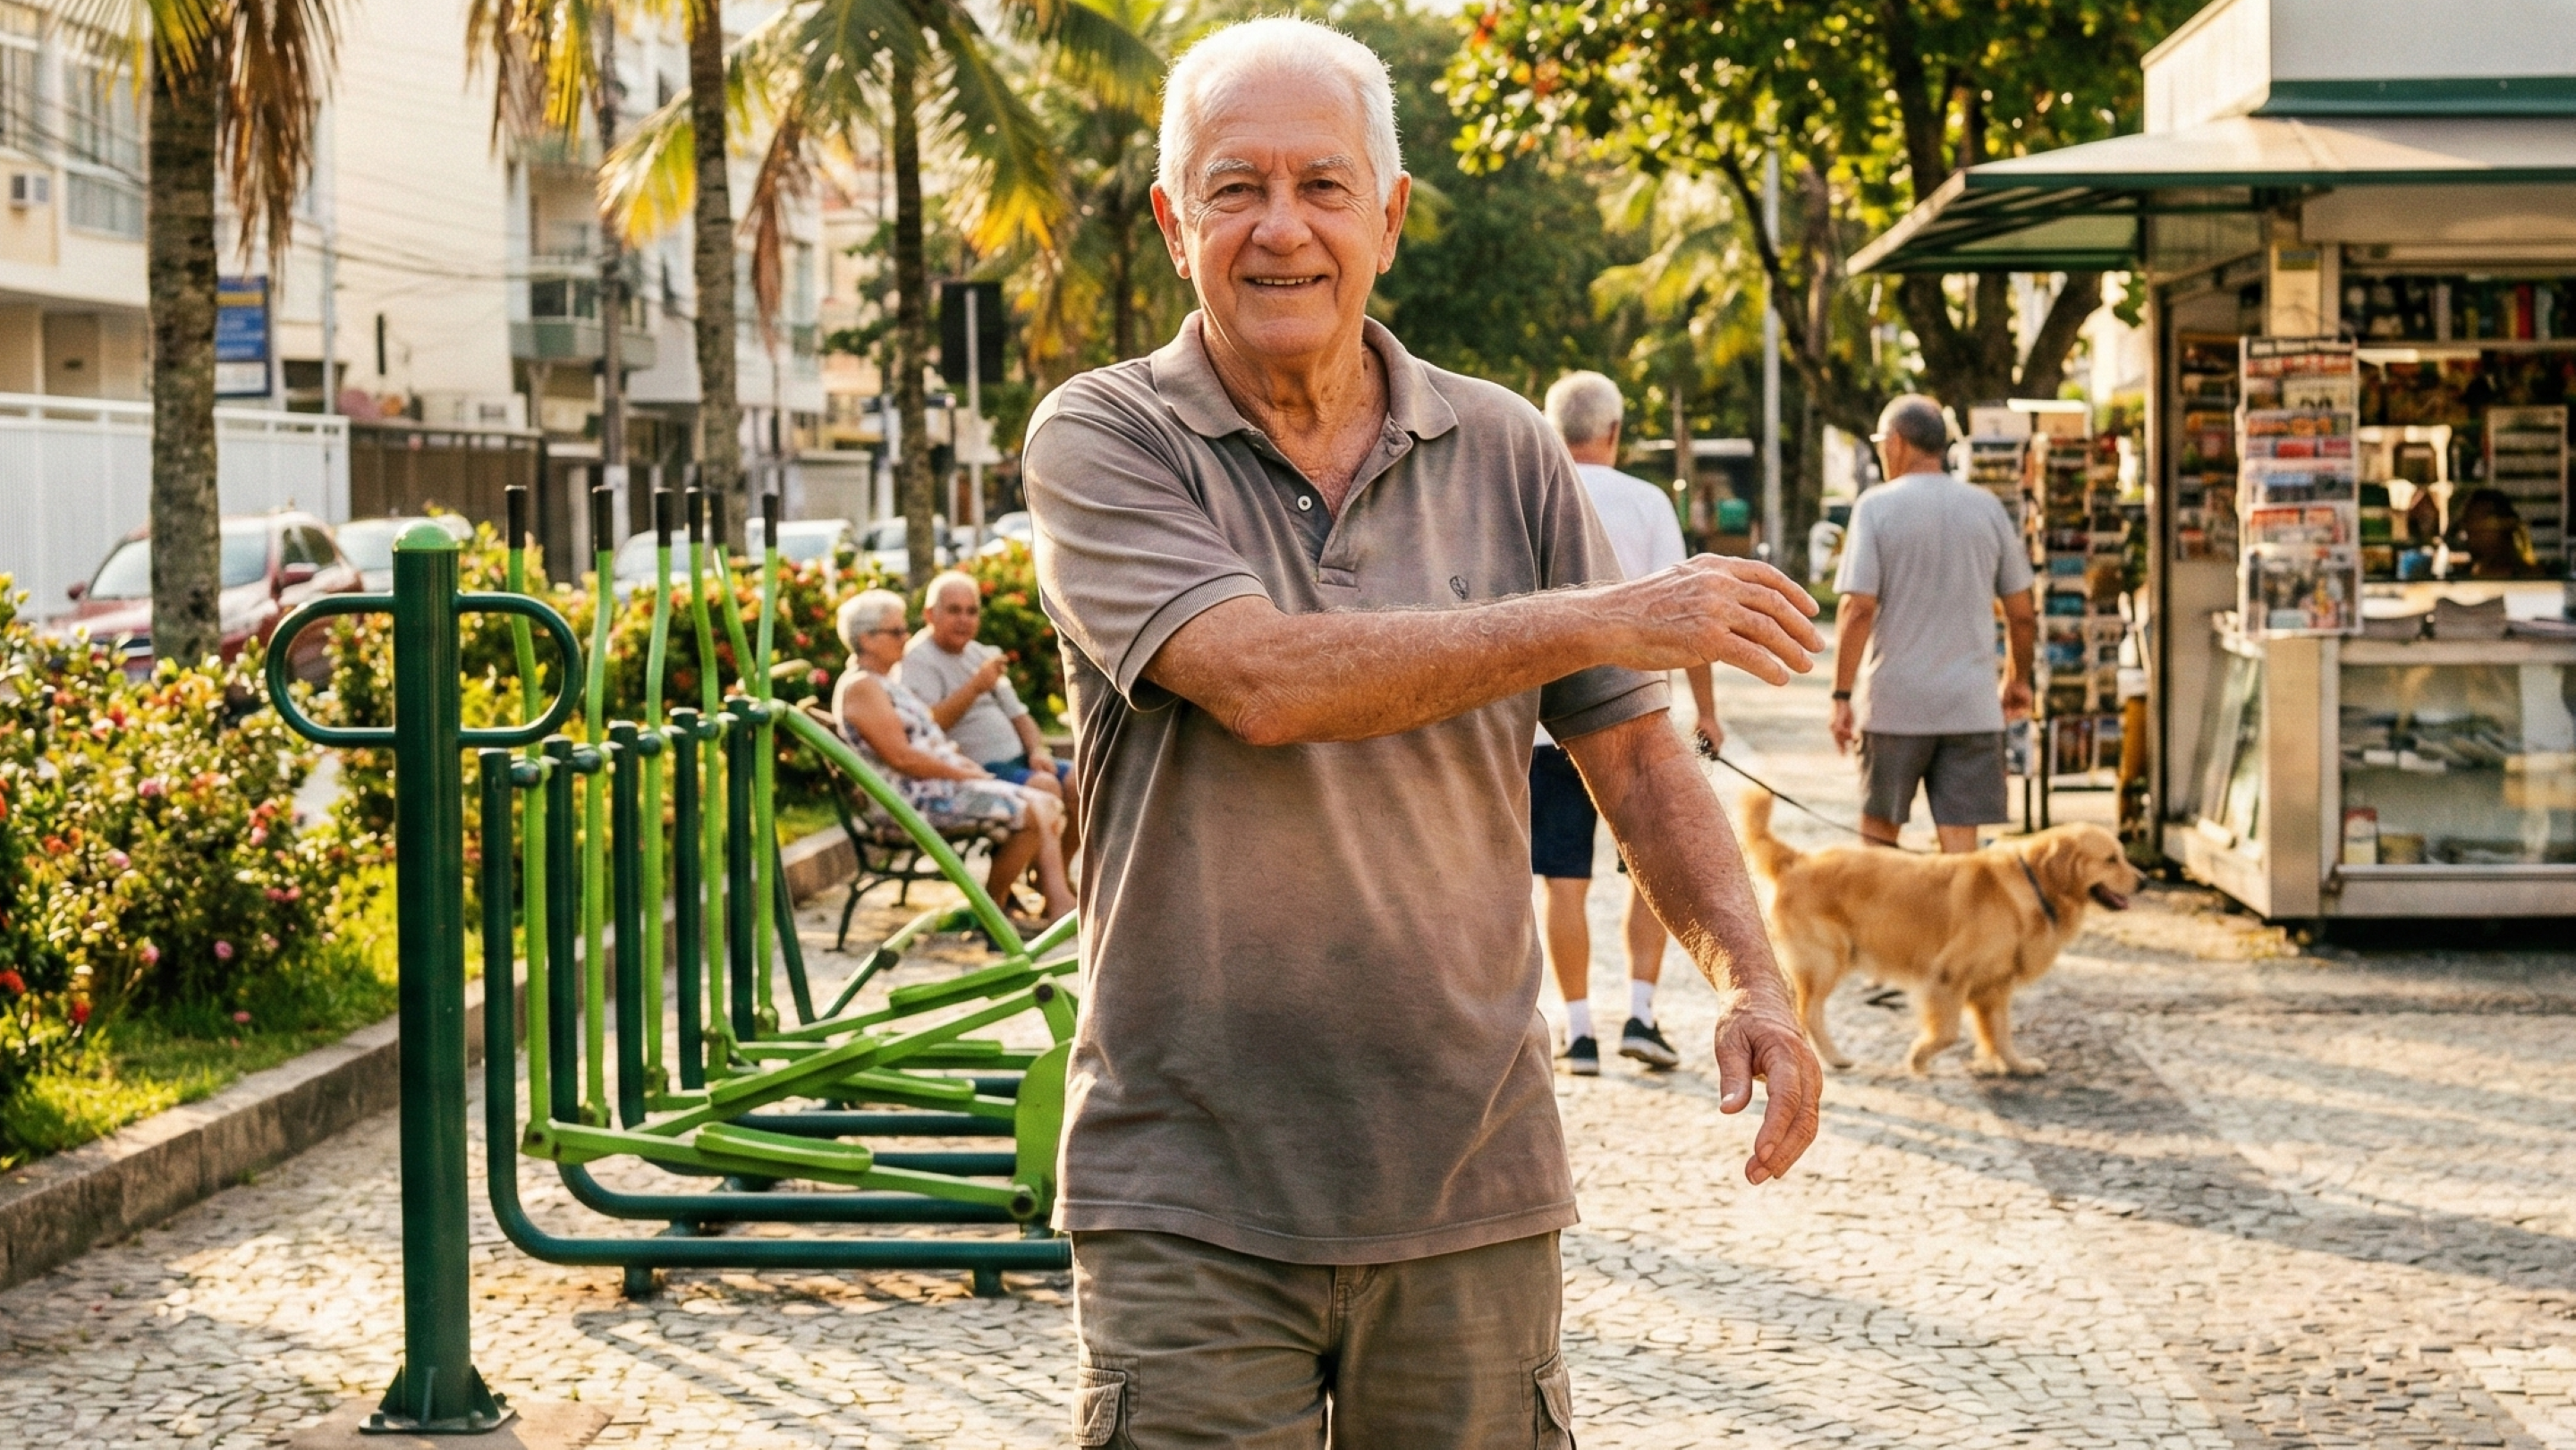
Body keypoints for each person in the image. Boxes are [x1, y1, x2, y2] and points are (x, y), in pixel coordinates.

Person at [1021, 19, 1825, 1447]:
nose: (1282, 230)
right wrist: (1598, 615)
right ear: (1172, 217)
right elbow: (1262, 680)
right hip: (1190, 1193)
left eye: (1324, 187)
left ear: (1387, 219)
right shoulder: (1104, 435)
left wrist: (1753, 979)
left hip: (1470, 1182)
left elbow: (1634, 755)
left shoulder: (1506, 446)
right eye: (1235, 187)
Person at [1531, 370, 1723, 1077]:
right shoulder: (1646, 502)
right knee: (1648, 871)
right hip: (1637, 718)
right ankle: (1642, 1014)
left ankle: (1578, 1030)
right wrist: (1706, 711)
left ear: (1554, 429)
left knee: (1561, 880)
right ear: (1613, 432)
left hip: (1544, 727)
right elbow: (1687, 618)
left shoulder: (1530, 493)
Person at [1829, 394, 2037, 854]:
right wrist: (2017, 679)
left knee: (1880, 846)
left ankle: (1883, 929)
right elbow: (2022, 615)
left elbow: (1857, 609)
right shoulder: (1987, 508)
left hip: (1895, 706)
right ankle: (1957, 929)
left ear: (1899, 443)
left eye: (1883, 441)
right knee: (1962, 859)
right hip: (1971, 706)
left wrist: (1842, 696)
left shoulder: (1875, 507)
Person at [831, 589, 1076, 928]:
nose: (906, 637)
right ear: (866, 639)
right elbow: (903, 758)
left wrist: (962, 767)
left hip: (935, 789)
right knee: (1033, 809)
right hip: (912, 800)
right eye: (897, 631)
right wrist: (964, 775)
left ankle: (1044, 905)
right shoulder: (862, 687)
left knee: (1043, 802)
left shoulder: (885, 683)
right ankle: (996, 915)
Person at [897, 570, 1079, 854]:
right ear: (930, 614)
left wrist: (1037, 751)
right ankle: (1047, 887)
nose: (964, 620)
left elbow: (1020, 716)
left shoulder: (981, 654)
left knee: (1081, 782)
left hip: (1018, 760)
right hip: (977, 768)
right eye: (954, 610)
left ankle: (1057, 876)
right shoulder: (916, 659)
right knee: (1045, 787)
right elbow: (930, 725)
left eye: (971, 612)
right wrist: (976, 687)